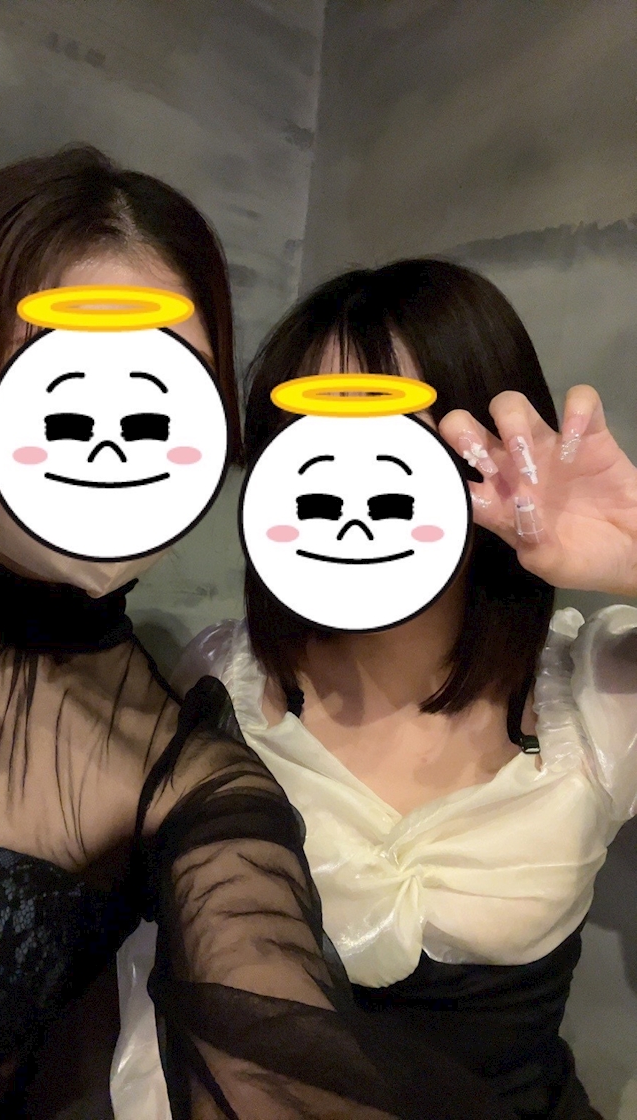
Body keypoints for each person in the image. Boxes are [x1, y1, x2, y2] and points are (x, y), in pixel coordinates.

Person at [0, 152, 516, 1120]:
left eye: (166, 387)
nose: (111, 434)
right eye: (64, 377)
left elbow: (277, 1057)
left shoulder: (188, 774)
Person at [111, 259, 637, 1120]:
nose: (351, 476)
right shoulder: (217, 686)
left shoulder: (595, 692)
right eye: (311, 437)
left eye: (392, 435)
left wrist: (631, 555)